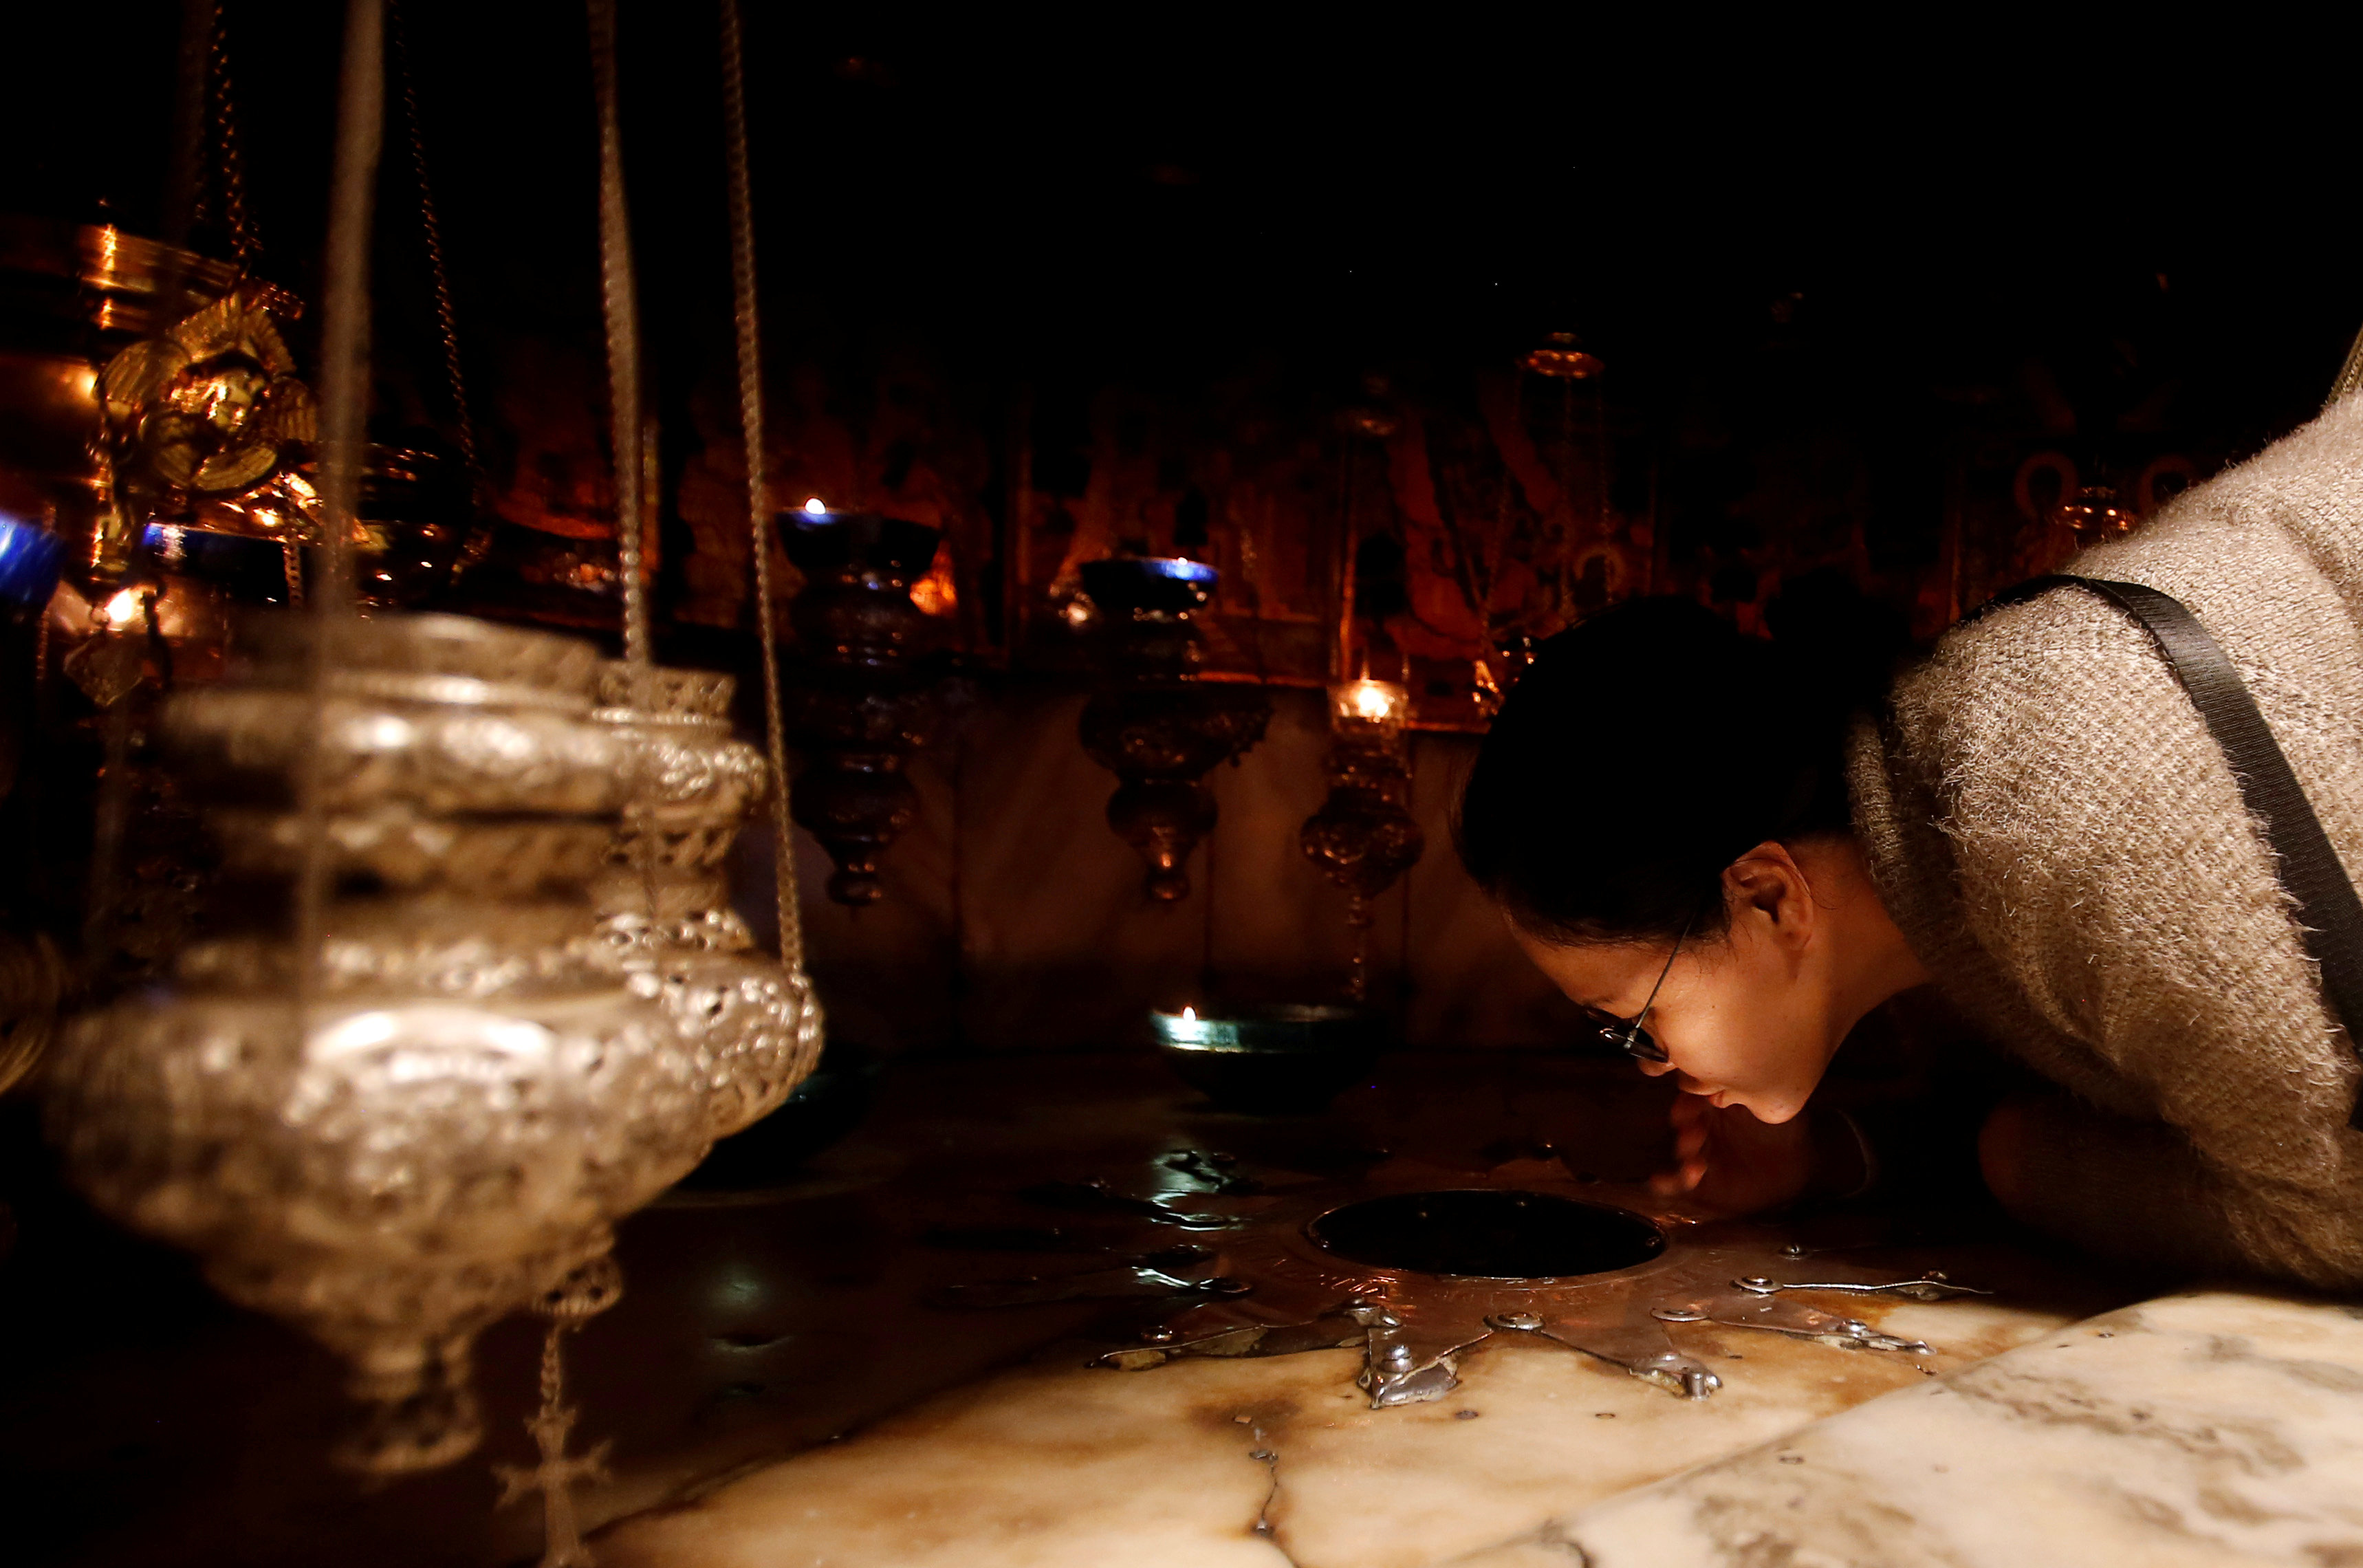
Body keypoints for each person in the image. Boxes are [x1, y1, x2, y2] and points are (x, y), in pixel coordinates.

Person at [1457, 399, 2363, 1287]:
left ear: (1769, 895)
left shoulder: (2061, 803)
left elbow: (2342, 1209)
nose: (1656, 1069)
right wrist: (1825, 1164)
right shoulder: (1926, 858)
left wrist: (2018, 1164)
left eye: (1637, 1022)